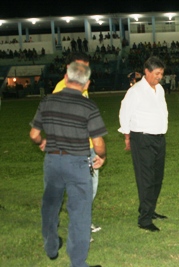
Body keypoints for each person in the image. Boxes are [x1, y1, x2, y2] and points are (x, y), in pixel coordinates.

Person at [29, 62, 107, 267]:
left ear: (65, 77)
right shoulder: (88, 106)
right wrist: (102, 156)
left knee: (50, 206)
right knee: (80, 212)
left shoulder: (47, 101)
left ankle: (51, 246)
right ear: (87, 83)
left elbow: (34, 134)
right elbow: (98, 143)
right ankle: (78, 263)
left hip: (53, 162)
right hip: (79, 163)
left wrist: (42, 142)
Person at [53, 52, 102, 237]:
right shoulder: (61, 88)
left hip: (87, 145)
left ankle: (82, 221)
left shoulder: (82, 85)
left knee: (90, 187)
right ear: (69, 67)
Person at [118, 56, 168, 232]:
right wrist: (127, 136)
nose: (159, 77)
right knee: (146, 179)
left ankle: (150, 210)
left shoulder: (159, 89)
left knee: (157, 178)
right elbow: (125, 112)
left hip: (159, 138)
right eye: (156, 73)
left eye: (161, 73)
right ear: (146, 72)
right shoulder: (136, 91)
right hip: (142, 138)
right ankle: (144, 220)